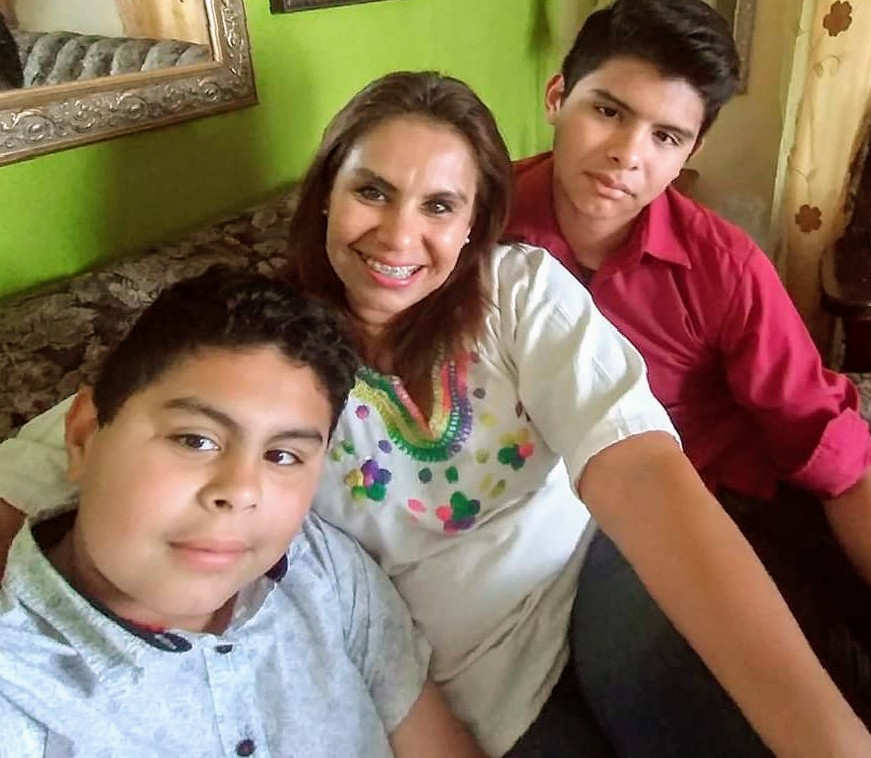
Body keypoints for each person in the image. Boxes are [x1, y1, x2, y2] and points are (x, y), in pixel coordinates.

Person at [0, 71, 870, 757]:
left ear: (473, 227)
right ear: (325, 195)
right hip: (461, 697)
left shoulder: (518, 293)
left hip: (587, 590)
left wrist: (829, 740)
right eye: (372, 191)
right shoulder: (260, 356)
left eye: (439, 206)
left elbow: (641, 472)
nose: (397, 235)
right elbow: (73, 454)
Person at [504, 0, 871, 752]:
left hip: (730, 504)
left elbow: (823, 440)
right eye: (607, 111)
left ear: (688, 153)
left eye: (664, 136)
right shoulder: (474, 224)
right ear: (556, 97)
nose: (626, 154)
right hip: (575, 535)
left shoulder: (723, 266)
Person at [0, 267, 485, 757]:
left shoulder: (321, 569)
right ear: (84, 435)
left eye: (282, 455)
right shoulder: (20, 696)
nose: (239, 491)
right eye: (196, 440)